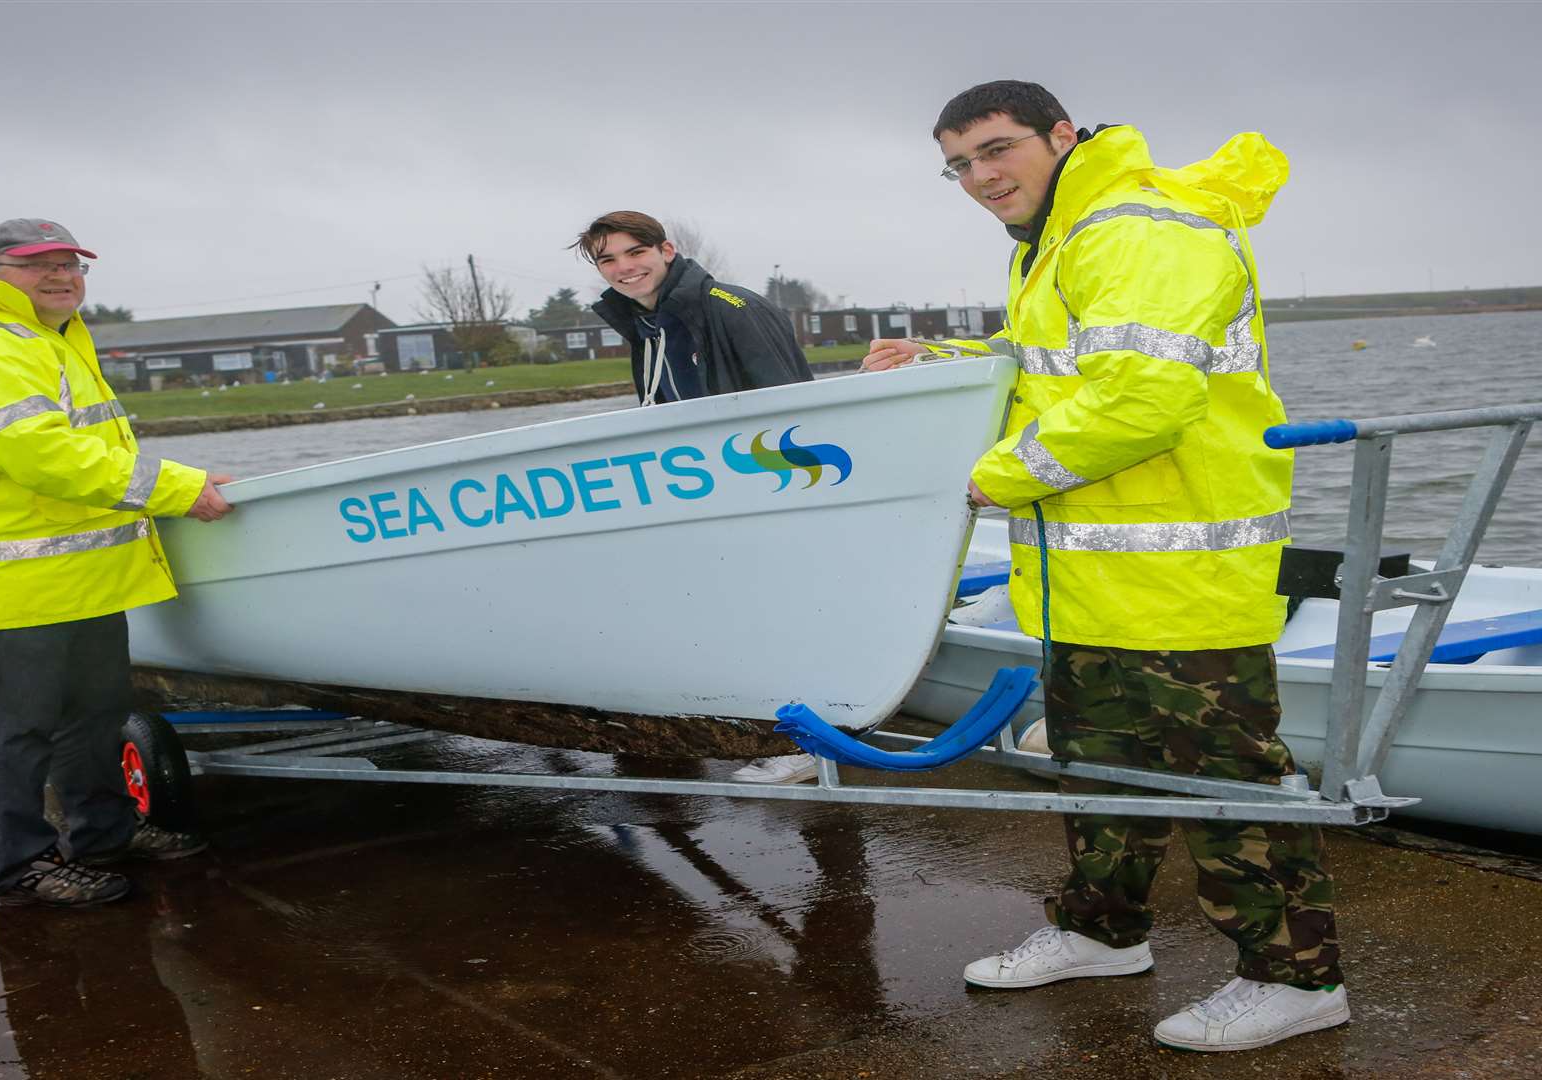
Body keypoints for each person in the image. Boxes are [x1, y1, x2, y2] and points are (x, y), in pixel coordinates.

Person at [861, 82, 1347, 1052]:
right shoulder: (1068, 238)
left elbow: (1141, 403)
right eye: (958, 164)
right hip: (1093, 579)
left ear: (1061, 134)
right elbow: (1056, 365)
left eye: (996, 150)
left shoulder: (1136, 230)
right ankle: (1100, 932)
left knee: (1227, 785)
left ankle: (1298, 980)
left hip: (1181, 582)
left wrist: (992, 477)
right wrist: (943, 359)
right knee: (1094, 765)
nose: (980, 177)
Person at [0, 218, 235, 908]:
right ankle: (21, 867)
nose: (62, 276)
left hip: (77, 582)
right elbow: (42, 458)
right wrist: (177, 489)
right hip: (6, 587)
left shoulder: (50, 341)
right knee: (15, 732)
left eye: (71, 264)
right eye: (39, 266)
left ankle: (105, 833)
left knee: (95, 717)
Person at [575, 210, 818, 784]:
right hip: (713, 497)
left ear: (666, 248)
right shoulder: (649, 325)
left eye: (633, 253)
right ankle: (766, 721)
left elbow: (796, 412)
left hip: (770, 486)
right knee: (730, 610)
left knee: (785, 609)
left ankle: (809, 742)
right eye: (607, 260)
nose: (622, 269)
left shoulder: (732, 308)